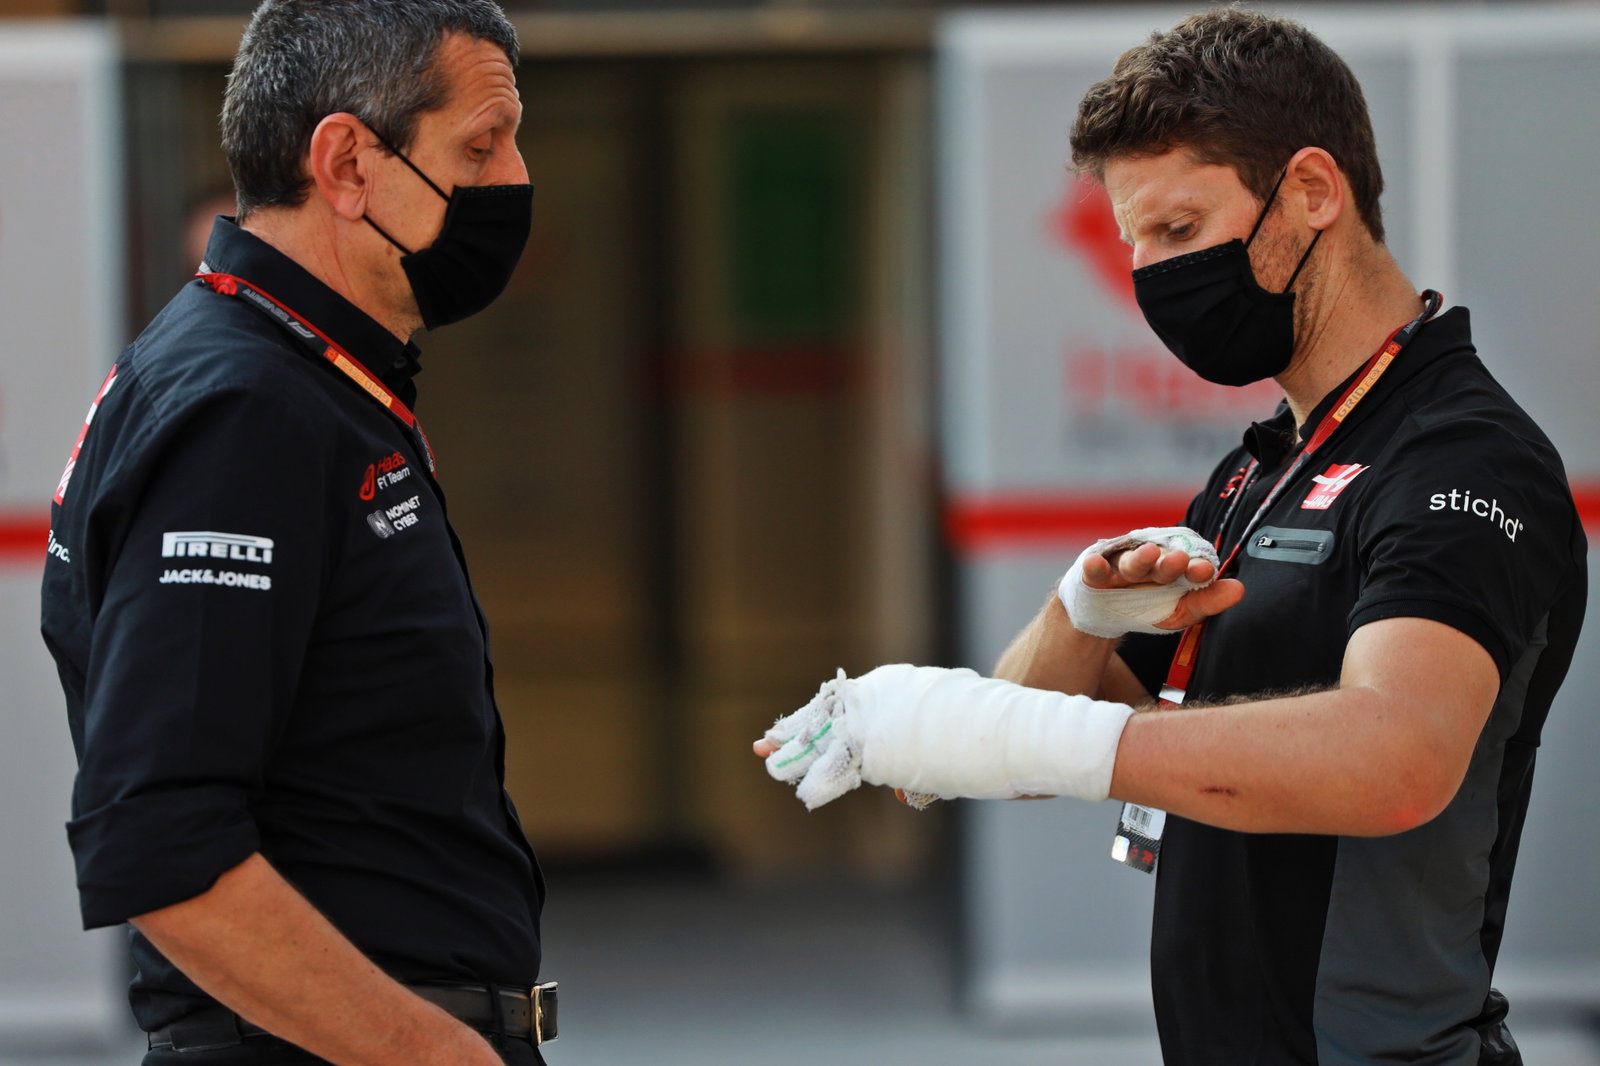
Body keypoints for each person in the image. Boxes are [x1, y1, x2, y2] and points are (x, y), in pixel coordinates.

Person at [755, 8, 1586, 1064]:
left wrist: (1017, 733)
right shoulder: (1257, 466)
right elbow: (1047, 728)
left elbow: (1398, 756)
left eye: (1178, 230)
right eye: (1130, 242)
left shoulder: (1462, 457)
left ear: (1312, 193)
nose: (1149, 276)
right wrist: (1080, 614)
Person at [40, 2, 555, 1063]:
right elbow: (161, 841)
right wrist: (440, 1055)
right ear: (348, 162)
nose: (513, 180)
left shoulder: (315, 379)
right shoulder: (249, 406)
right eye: (480, 143)